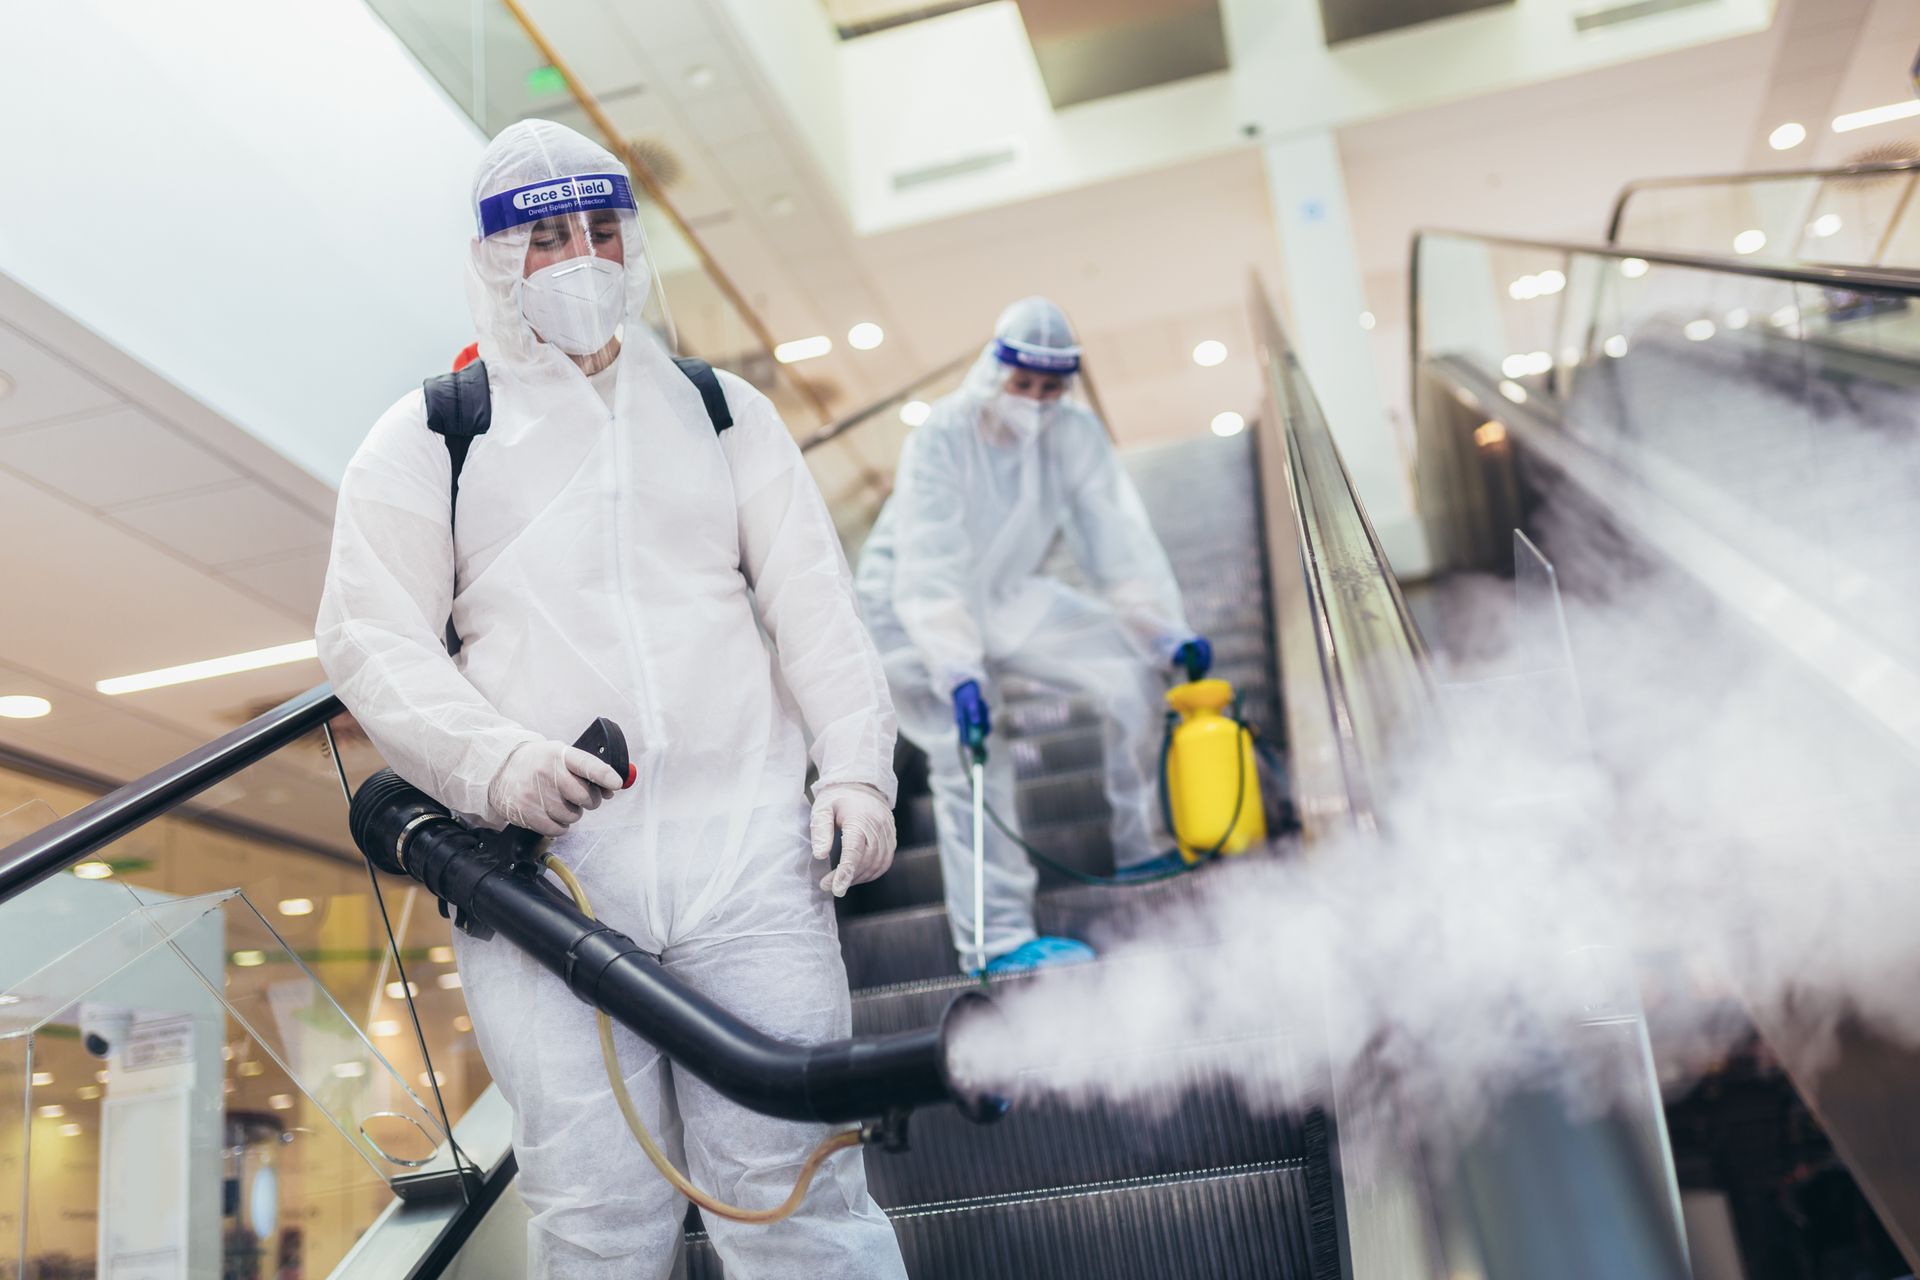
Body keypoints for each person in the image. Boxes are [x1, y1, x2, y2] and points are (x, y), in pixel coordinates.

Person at [316, 120, 906, 1279]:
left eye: (599, 229)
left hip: (751, 861)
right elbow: (369, 637)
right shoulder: (433, 435)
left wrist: (855, 767)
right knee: (597, 1220)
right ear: (495, 260)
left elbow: (815, 605)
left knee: (803, 1192)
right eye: (545, 238)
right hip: (558, 889)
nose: (580, 258)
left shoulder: (719, 407)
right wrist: (492, 763)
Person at [855, 297, 1209, 977]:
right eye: (1024, 384)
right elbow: (930, 569)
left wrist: (1165, 634)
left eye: (1052, 388)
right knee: (975, 756)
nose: (1037, 401)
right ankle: (997, 941)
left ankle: (1143, 841)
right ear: (995, 373)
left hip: (1007, 593)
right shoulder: (941, 436)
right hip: (907, 610)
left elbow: (1116, 541)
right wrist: (957, 668)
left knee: (1131, 670)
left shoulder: (1073, 433)